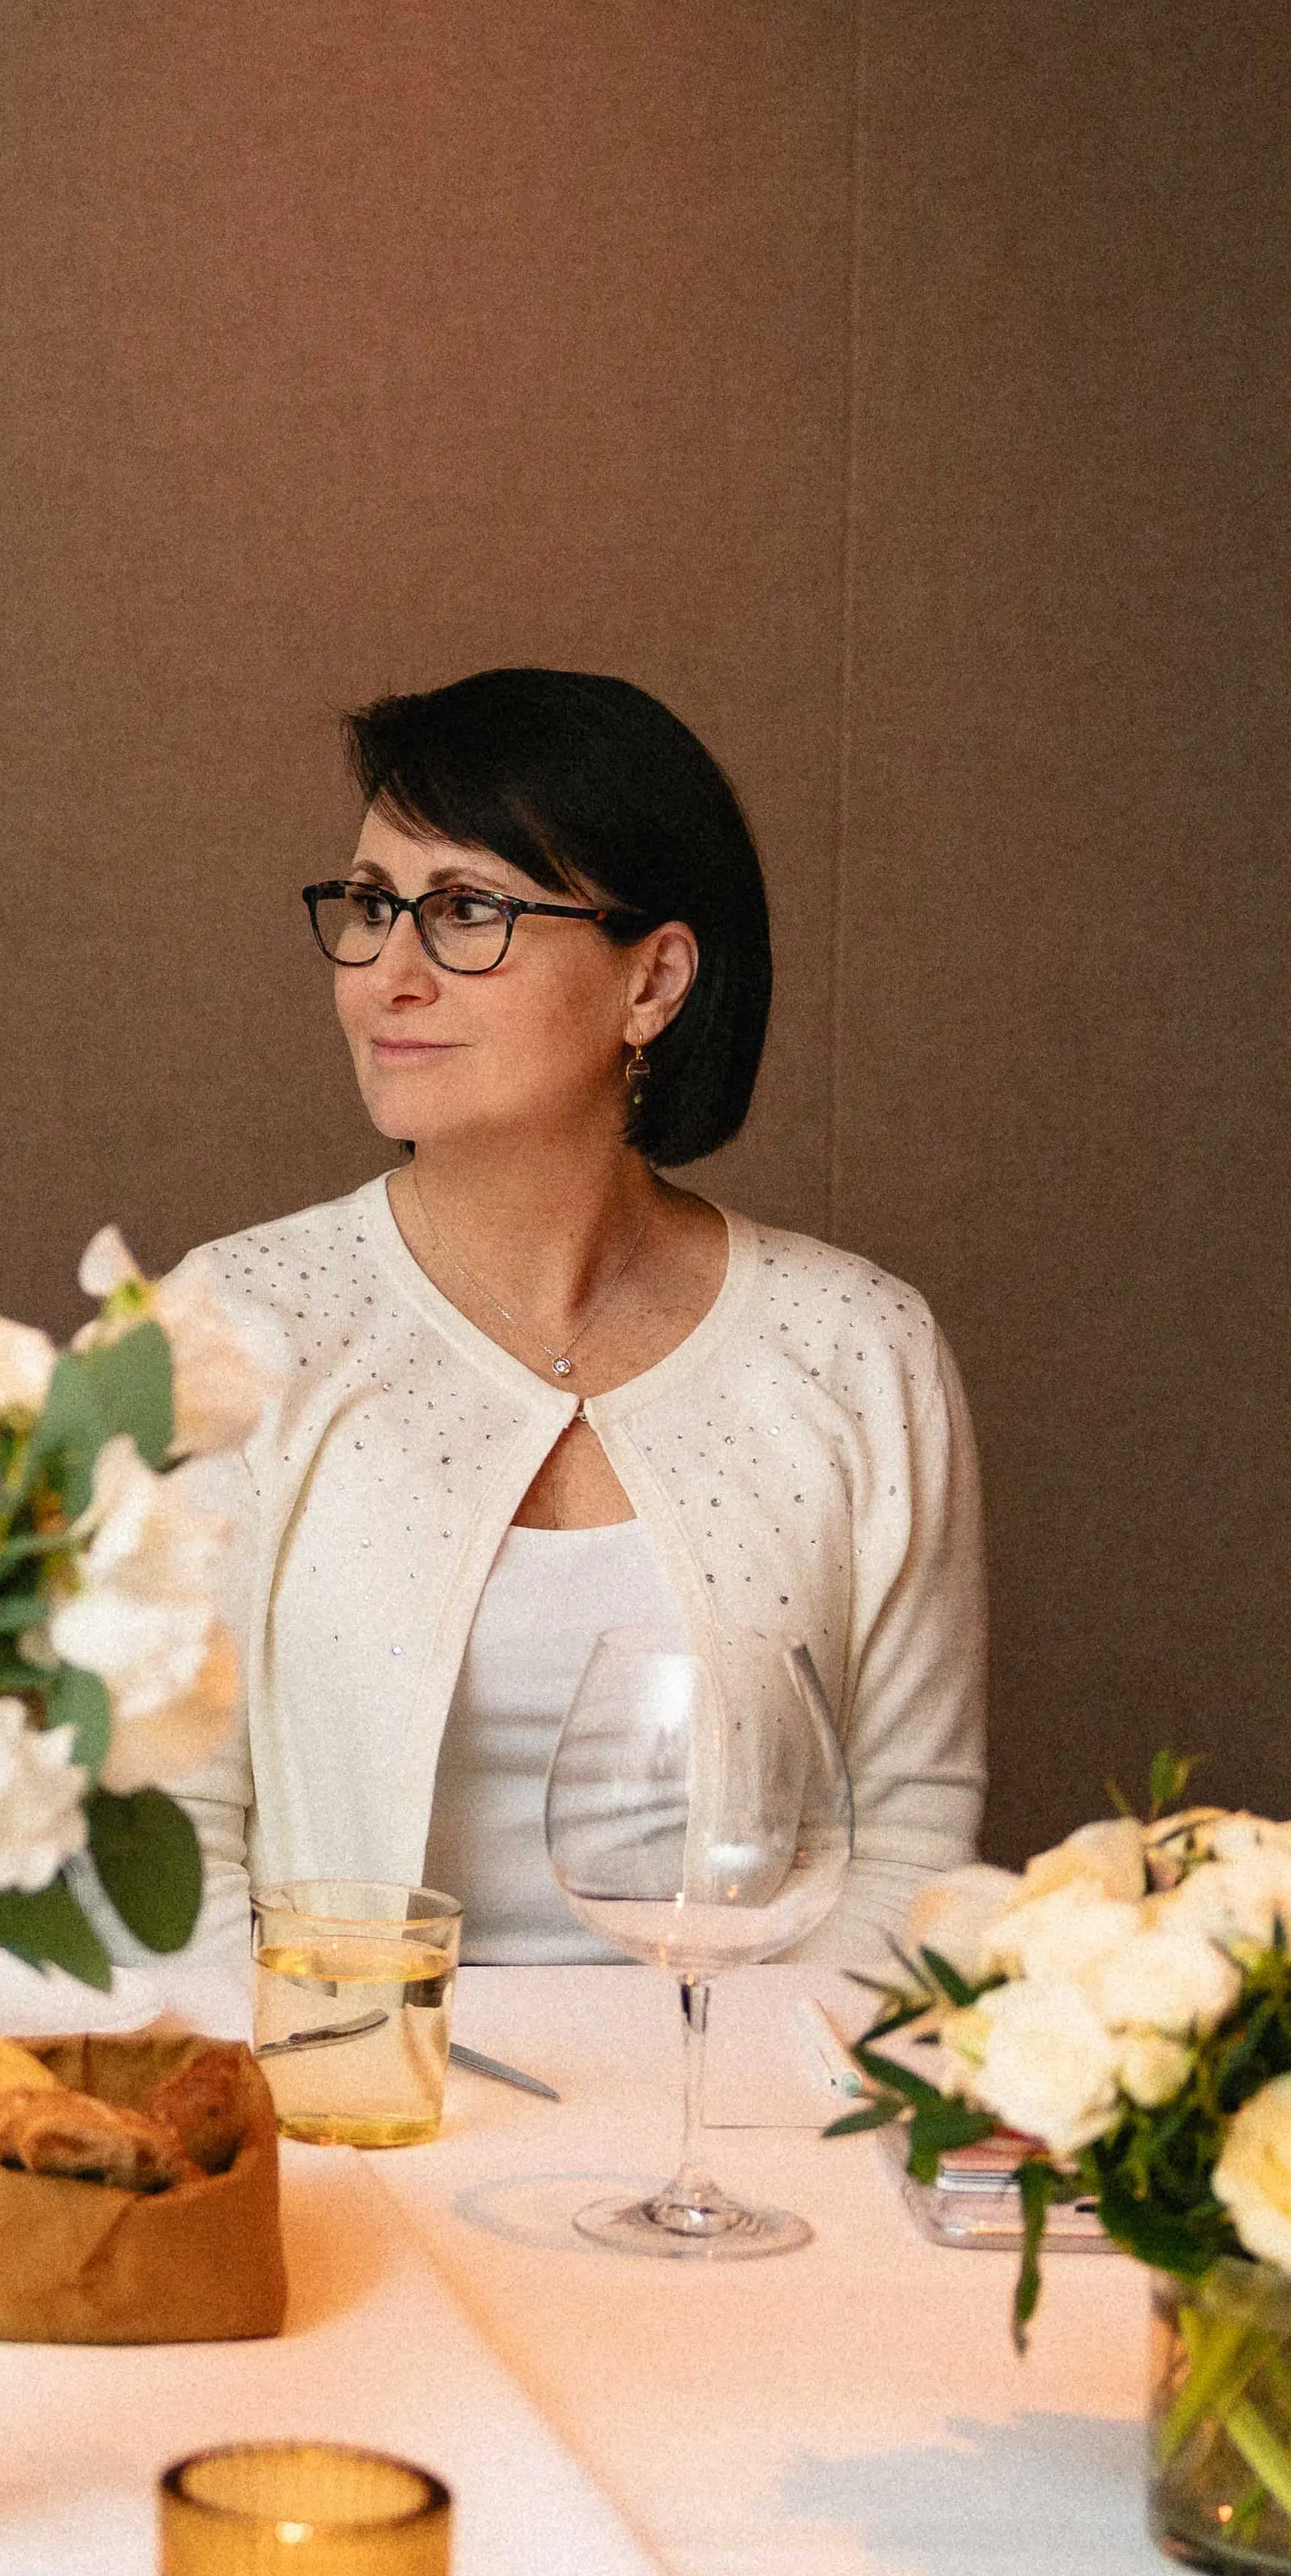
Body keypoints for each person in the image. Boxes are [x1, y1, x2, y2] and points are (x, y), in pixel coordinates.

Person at [171, 669, 988, 1965]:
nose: (387, 974)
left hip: (732, 2124)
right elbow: (160, 1841)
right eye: (371, 906)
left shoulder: (857, 1349)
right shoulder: (230, 1329)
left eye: (465, 912)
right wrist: (345, 2094)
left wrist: (724, 2124)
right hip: (341, 2111)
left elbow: (907, 1842)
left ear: (652, 981)